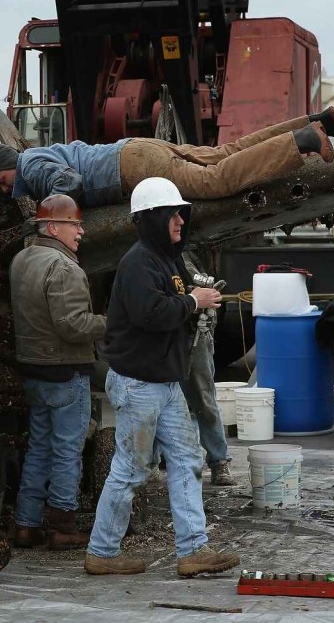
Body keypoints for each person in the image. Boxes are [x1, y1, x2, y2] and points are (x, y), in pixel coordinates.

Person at [84, 178, 240, 577]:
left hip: (164, 383)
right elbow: (150, 315)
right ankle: (102, 551)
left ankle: (193, 550)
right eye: (172, 214)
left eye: (181, 214)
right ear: (151, 219)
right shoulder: (138, 263)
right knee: (132, 469)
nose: (180, 221)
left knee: (187, 461)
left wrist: (193, 300)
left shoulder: (166, 261)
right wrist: (193, 301)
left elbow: (168, 306)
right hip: (139, 384)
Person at [0, 107, 334, 207]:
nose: (6, 186)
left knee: (217, 180)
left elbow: (69, 185)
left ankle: (304, 139)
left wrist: (50, 214)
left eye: (1, 179)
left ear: (8, 165)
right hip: (135, 151)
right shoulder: (34, 157)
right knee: (224, 153)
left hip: (131, 168)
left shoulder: (30, 165)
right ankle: (318, 120)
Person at [10, 194, 106, 550]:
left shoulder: (22, 260)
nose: (81, 231)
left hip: (33, 370)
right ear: (53, 227)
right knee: (67, 451)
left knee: (39, 449)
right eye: (74, 224)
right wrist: (109, 324)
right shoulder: (64, 268)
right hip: (65, 373)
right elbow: (73, 326)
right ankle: (63, 528)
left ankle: (25, 525)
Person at [181, 252, 235, 486]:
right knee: (159, 402)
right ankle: (156, 460)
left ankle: (219, 461)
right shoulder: (147, 258)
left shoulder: (179, 257)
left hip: (191, 334)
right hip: (161, 338)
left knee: (203, 398)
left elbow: (201, 284)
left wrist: (203, 296)